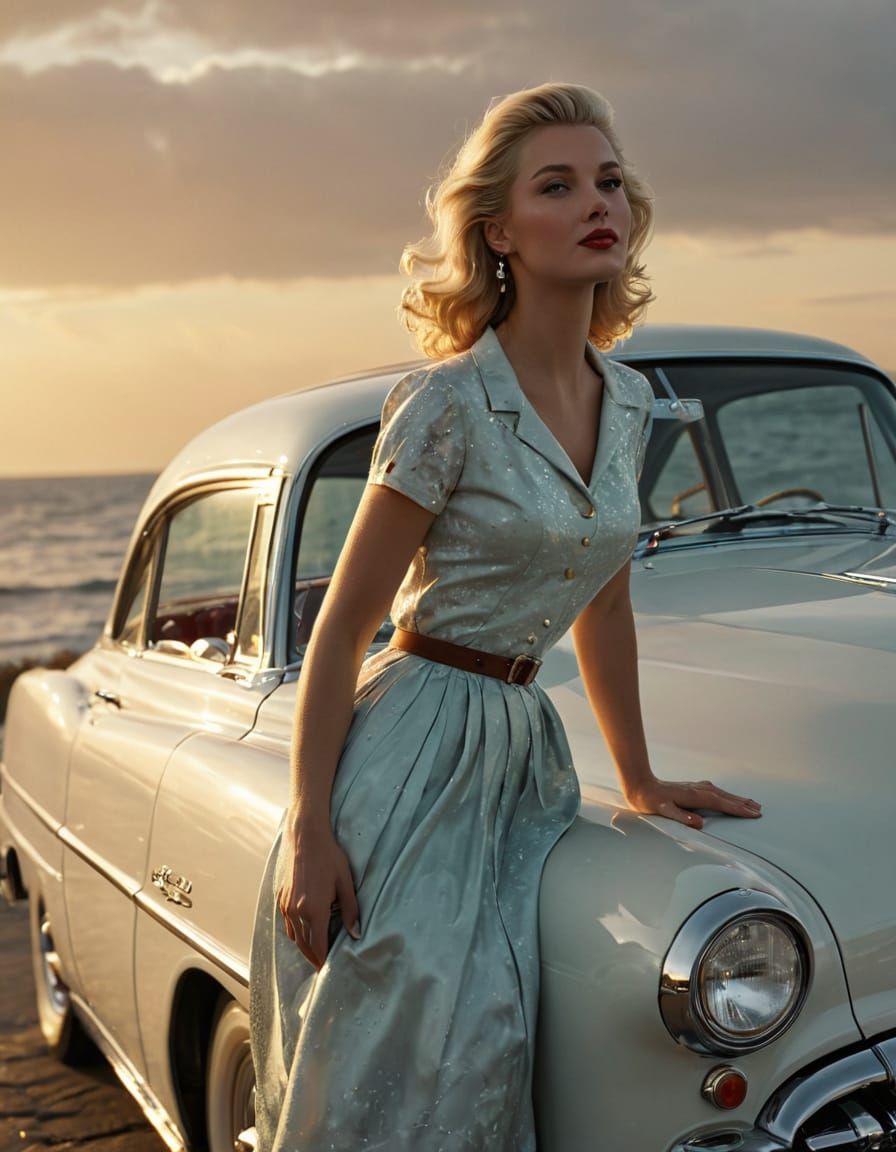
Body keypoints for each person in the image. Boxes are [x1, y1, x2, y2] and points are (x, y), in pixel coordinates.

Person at [249, 81, 762, 1152]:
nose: (596, 203)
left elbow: (604, 596)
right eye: (557, 185)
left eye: (609, 180)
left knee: (509, 1034)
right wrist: (308, 828)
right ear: (497, 232)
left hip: (521, 752)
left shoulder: (627, 400)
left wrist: (636, 773)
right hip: (407, 746)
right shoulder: (447, 403)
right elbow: (342, 629)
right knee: (412, 1034)